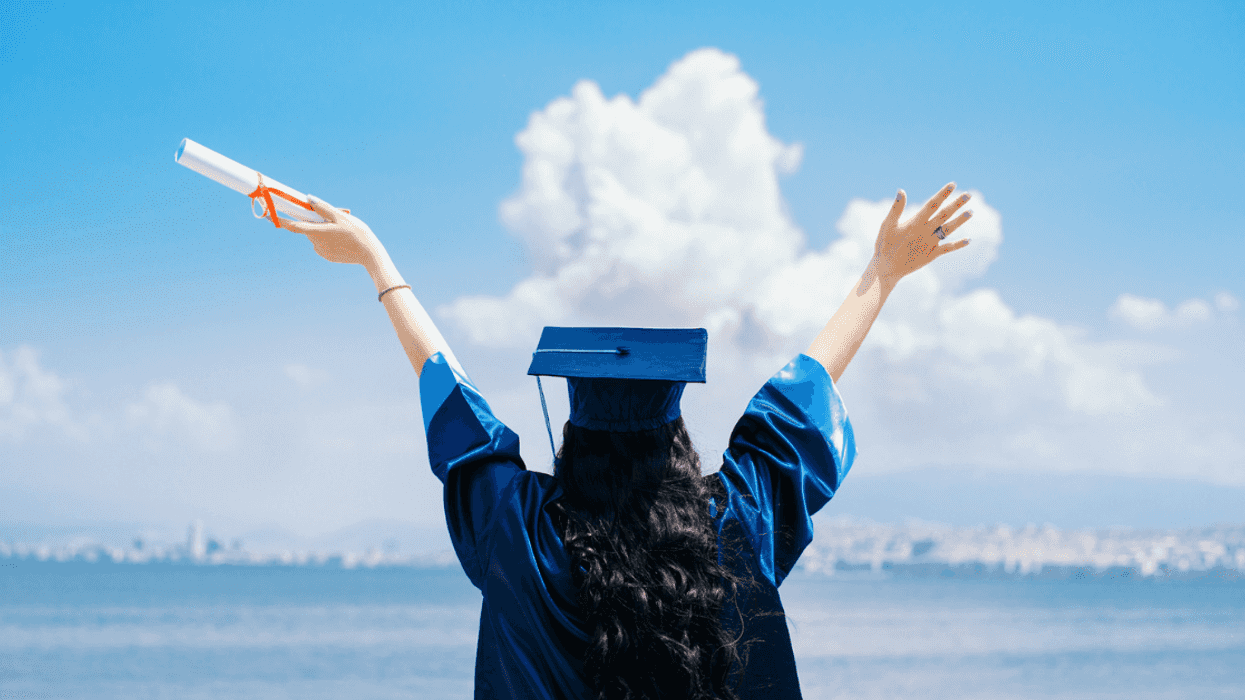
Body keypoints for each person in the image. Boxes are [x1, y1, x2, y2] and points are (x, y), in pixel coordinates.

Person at [281, 183, 974, 699]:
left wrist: (378, 264)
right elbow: (798, 400)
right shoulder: (734, 522)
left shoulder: (519, 528)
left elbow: (454, 402)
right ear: (675, 435)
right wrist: (881, 273)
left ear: (573, 434)